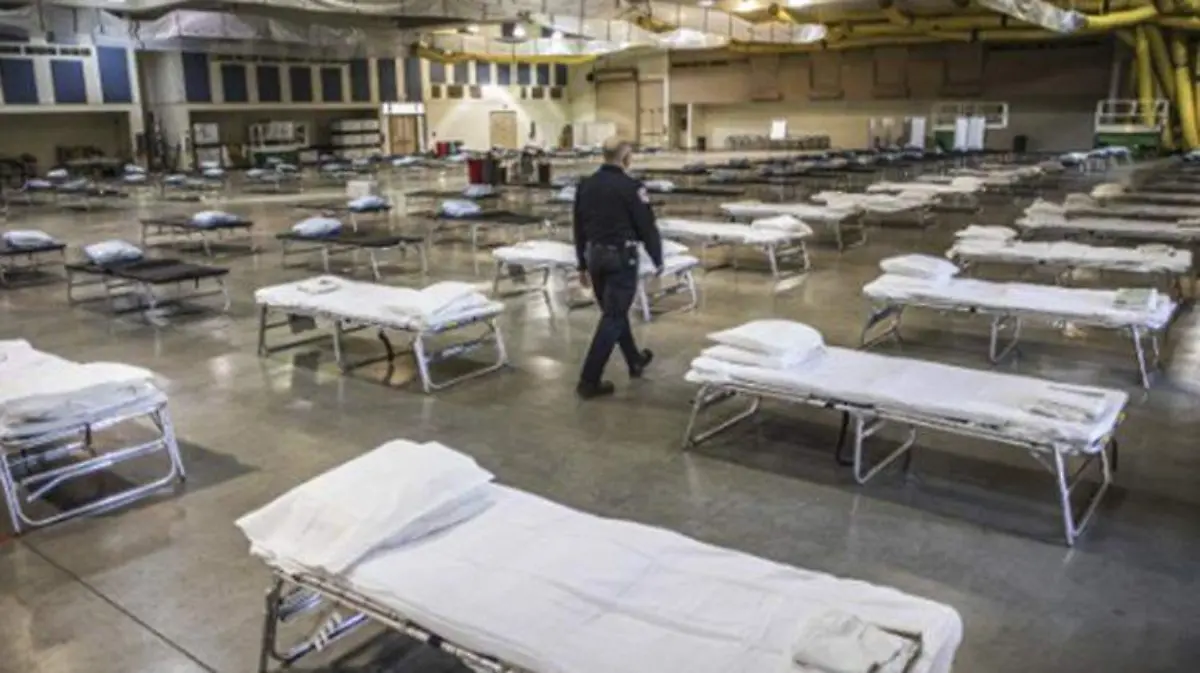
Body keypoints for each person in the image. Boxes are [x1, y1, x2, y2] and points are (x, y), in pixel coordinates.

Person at [572, 137, 662, 399]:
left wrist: (581, 264)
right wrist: (658, 260)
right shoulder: (631, 187)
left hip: (595, 256)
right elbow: (647, 226)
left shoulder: (586, 185)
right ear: (625, 158)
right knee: (612, 317)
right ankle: (589, 380)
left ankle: (634, 360)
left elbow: (578, 226)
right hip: (621, 258)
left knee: (614, 312)